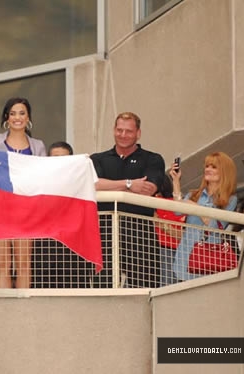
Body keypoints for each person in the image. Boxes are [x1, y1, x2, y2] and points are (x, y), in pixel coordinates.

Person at [90, 112, 165, 288]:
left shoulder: (152, 159)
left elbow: (148, 189)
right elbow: (94, 184)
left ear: (138, 133)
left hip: (140, 234)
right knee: (103, 291)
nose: (123, 135)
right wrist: (130, 184)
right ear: (114, 130)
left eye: (128, 131)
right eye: (119, 130)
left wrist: (111, 185)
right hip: (105, 235)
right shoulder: (98, 158)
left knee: (145, 290)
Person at [0, 97, 47, 288]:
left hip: (25, 210)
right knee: (3, 263)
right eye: (12, 113)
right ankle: (5, 308)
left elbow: (44, 175)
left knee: (23, 264)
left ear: (28, 117)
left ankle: (23, 309)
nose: (17, 118)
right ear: (6, 117)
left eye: (21, 113)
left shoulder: (38, 145)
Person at [32, 141, 93, 288]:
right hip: (43, 253)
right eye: (55, 158)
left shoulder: (82, 181)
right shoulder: (37, 183)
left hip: (74, 255)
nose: (59, 163)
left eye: (64, 159)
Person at [170, 151, 237, 281]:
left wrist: (193, 206)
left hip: (210, 257)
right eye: (207, 166)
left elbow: (212, 225)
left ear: (224, 171)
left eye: (214, 167)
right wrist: (176, 181)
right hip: (185, 255)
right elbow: (177, 210)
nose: (208, 169)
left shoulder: (230, 199)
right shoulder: (194, 194)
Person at [154, 174, 185, 286]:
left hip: (162, 249)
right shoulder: (177, 204)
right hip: (177, 250)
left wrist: (161, 224)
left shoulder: (154, 201)